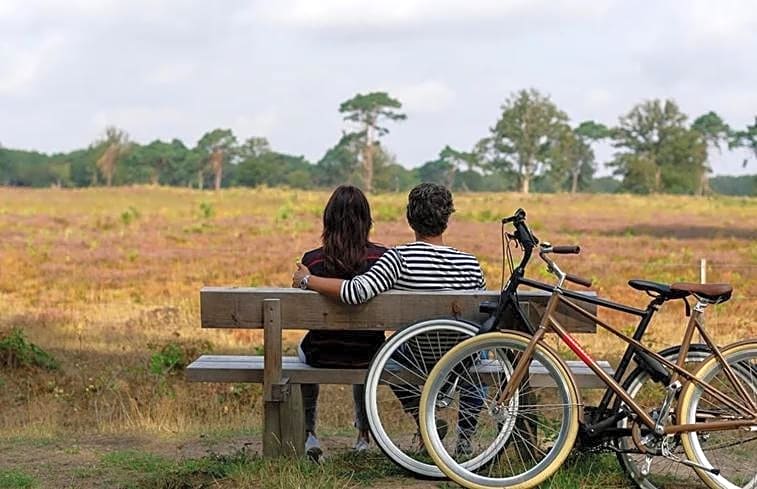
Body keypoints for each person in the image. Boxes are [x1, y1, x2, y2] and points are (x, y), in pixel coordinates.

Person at [293, 182, 486, 455]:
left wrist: (307, 280)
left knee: (383, 355)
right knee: (483, 353)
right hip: (459, 355)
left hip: (417, 353)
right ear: (447, 219)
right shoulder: (470, 262)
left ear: (410, 219)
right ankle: (464, 440)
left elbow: (356, 291)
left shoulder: (398, 259)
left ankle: (422, 415)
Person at [293, 185, 387, 461]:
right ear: (366, 221)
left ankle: (309, 432)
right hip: (369, 355)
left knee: (299, 354)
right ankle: (363, 435)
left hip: (321, 354)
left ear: (328, 220)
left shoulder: (311, 261)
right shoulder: (381, 259)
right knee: (365, 347)